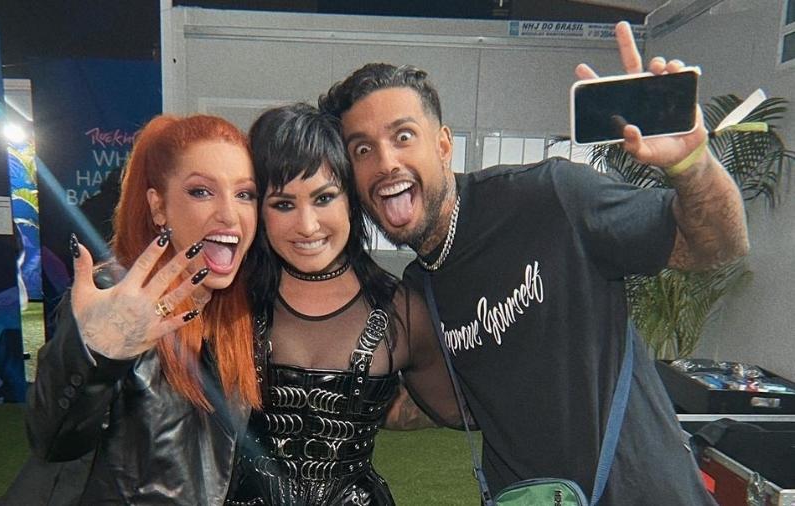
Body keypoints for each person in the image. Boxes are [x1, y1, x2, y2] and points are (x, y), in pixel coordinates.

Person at [318, 22, 746, 505]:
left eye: (403, 136)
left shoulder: (551, 198)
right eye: (362, 149)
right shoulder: (421, 289)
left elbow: (717, 247)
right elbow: (450, 406)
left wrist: (691, 164)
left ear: (442, 145)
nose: (385, 162)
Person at [225, 103, 461, 505]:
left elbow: (456, 408)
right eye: (283, 204)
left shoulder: (403, 310)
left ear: (350, 199)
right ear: (259, 209)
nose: (307, 225)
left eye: (324, 197)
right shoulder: (228, 301)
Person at [21, 114, 261, 504]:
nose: (229, 214)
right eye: (201, 192)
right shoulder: (115, 297)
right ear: (158, 206)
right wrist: (93, 357)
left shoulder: (241, 311)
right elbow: (53, 441)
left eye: (245, 194)